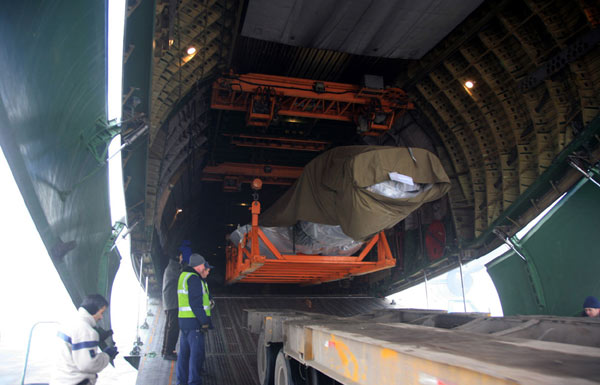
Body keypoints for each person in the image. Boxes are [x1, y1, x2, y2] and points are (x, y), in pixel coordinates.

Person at [50, 294, 119, 385]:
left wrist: (97, 339)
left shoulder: (69, 323)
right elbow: (89, 365)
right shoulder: (86, 331)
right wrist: (107, 355)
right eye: (101, 313)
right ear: (94, 310)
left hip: (60, 380)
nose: (101, 317)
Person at [176, 253, 214, 385]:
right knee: (195, 356)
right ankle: (194, 382)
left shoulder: (183, 276)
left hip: (184, 321)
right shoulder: (193, 279)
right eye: (204, 265)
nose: (205, 267)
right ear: (199, 266)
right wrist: (204, 321)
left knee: (184, 355)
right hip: (194, 323)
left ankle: (181, 381)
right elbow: (195, 304)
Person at [161, 240, 191, 360]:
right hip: (173, 303)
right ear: (178, 256)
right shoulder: (173, 268)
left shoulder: (173, 267)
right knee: (173, 328)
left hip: (171, 302)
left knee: (169, 327)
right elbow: (183, 279)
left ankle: (166, 350)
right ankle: (168, 352)